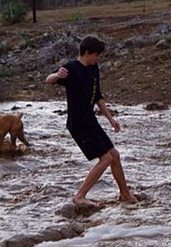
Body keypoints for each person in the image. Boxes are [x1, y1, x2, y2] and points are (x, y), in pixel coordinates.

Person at [46, 35, 137, 208]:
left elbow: (98, 96)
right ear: (87, 53)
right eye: (97, 55)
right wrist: (57, 75)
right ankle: (80, 196)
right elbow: (49, 80)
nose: (98, 58)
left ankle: (124, 194)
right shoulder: (71, 68)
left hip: (90, 120)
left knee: (115, 155)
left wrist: (111, 119)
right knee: (105, 159)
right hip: (78, 123)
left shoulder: (94, 68)